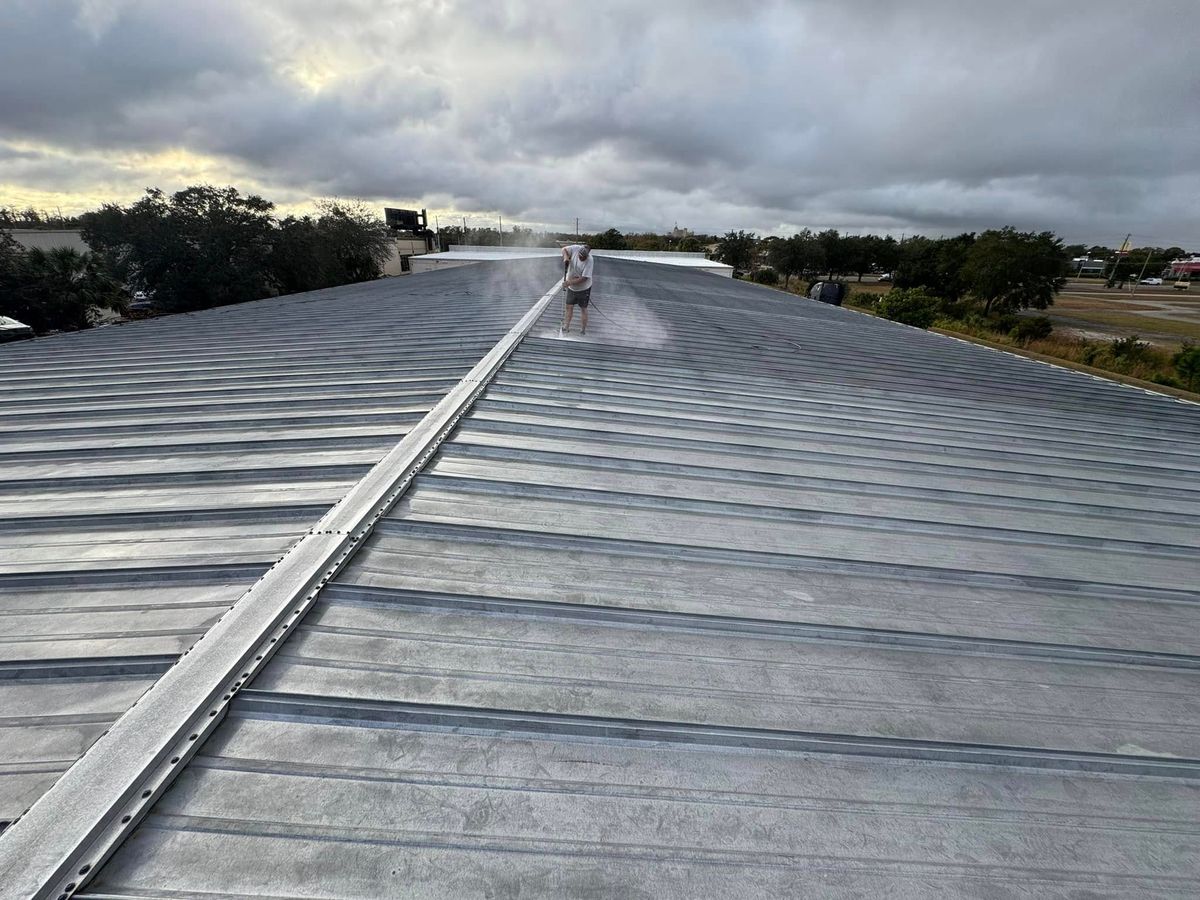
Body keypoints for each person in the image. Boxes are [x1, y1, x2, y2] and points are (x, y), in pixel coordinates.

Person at [561, 243, 593, 334]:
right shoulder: (575, 248)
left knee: (583, 308)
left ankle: (583, 330)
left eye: (583, 258)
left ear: (587, 256)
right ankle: (566, 326)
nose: (581, 259)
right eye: (580, 256)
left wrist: (569, 282)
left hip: (584, 288)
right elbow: (563, 249)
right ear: (578, 252)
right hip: (572, 287)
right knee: (568, 306)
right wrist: (566, 257)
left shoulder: (590, 261)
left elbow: (584, 278)